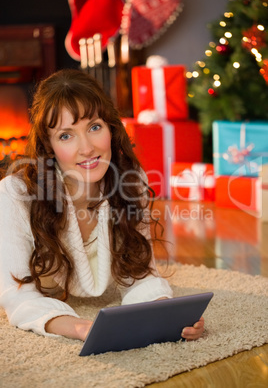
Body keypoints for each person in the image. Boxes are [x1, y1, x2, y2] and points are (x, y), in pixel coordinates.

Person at [0, 69, 204, 341]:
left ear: (111, 128)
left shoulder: (130, 182)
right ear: (49, 147)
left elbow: (141, 274)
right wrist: (81, 327)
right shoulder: (15, 194)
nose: (87, 148)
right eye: (66, 135)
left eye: (94, 127)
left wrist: (165, 312)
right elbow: (18, 295)